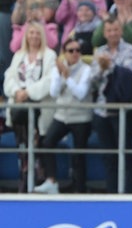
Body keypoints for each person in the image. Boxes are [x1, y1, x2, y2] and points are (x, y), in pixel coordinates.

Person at [34, 38, 93, 194]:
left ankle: (80, 189)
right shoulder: (58, 69)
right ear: (64, 53)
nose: (75, 53)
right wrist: (61, 76)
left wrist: (68, 78)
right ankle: (51, 180)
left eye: (78, 50)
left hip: (81, 117)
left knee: (79, 153)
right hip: (62, 115)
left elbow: (81, 93)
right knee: (47, 142)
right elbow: (54, 92)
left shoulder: (86, 70)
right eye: (71, 51)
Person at [90, 16, 132, 194]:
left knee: (124, 153)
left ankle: (127, 192)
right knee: (108, 156)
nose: (112, 33)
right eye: (109, 30)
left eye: (116, 30)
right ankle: (111, 192)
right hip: (102, 109)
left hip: (122, 110)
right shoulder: (100, 51)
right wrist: (102, 69)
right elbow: (93, 80)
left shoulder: (131, 50)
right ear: (104, 33)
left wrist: (109, 66)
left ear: (121, 31)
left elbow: (129, 73)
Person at [4, 22, 56, 192]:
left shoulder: (49, 55)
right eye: (31, 33)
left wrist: (29, 92)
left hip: (39, 108)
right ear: (26, 36)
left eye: (37, 33)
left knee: (38, 147)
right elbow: (9, 77)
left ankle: (37, 183)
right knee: (23, 148)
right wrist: (17, 91)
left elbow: (49, 80)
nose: (34, 36)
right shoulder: (19, 55)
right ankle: (24, 181)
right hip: (19, 108)